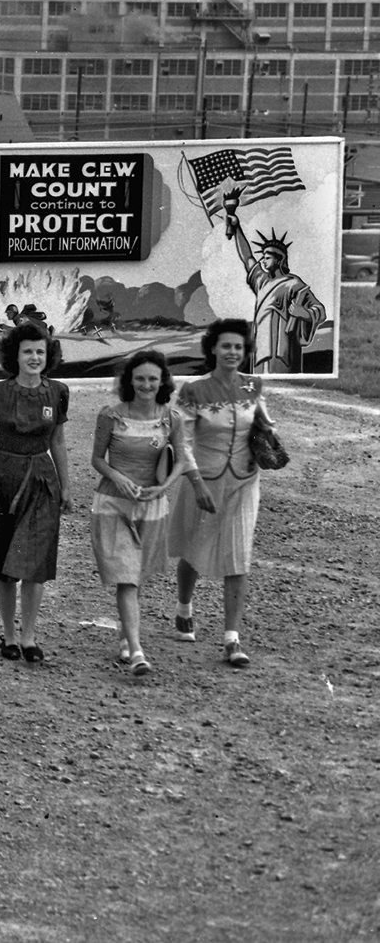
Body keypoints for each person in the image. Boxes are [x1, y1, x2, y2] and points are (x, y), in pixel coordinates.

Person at [169, 319, 269, 668]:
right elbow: (182, 441)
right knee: (194, 550)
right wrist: (195, 482)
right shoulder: (193, 390)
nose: (232, 352)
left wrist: (268, 440)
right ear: (212, 348)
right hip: (204, 480)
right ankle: (184, 608)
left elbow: (264, 424)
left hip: (244, 481)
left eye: (238, 347)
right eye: (226, 346)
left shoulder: (254, 386)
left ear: (245, 352)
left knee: (238, 556)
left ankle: (231, 639)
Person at [91, 350, 190, 677]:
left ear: (162, 382)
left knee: (136, 575)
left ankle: (125, 634)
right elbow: (97, 460)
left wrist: (164, 488)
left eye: (152, 379)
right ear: (129, 381)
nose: (146, 385)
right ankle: (136, 650)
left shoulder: (172, 418)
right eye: (140, 379)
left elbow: (181, 461)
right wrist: (118, 477)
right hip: (112, 504)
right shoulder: (110, 415)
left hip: (152, 505)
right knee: (127, 577)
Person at [0, 321, 70, 664]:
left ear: (48, 356)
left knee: (36, 561)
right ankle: (9, 635)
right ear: (14, 355)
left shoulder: (57, 391)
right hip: (2, 477)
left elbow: (58, 441)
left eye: (40, 352)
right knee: (4, 560)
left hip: (42, 479)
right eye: (27, 351)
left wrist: (65, 485)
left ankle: (30, 636)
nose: (34, 357)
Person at [220, 190, 325, 374]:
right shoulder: (260, 280)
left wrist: (304, 313)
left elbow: (320, 310)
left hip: (285, 348)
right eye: (264, 256)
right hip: (261, 347)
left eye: (268, 257)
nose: (263, 260)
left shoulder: (294, 284)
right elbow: (247, 257)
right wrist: (236, 228)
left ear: (280, 260)